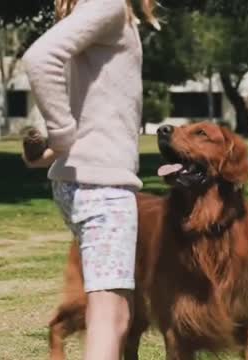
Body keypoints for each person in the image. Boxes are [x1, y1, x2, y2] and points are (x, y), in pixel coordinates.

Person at [21, 0, 158, 359]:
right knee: (109, 320)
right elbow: (39, 60)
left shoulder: (93, 9)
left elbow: (93, 110)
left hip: (88, 184)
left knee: (119, 314)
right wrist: (62, 135)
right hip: (104, 190)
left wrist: (52, 150)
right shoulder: (108, 4)